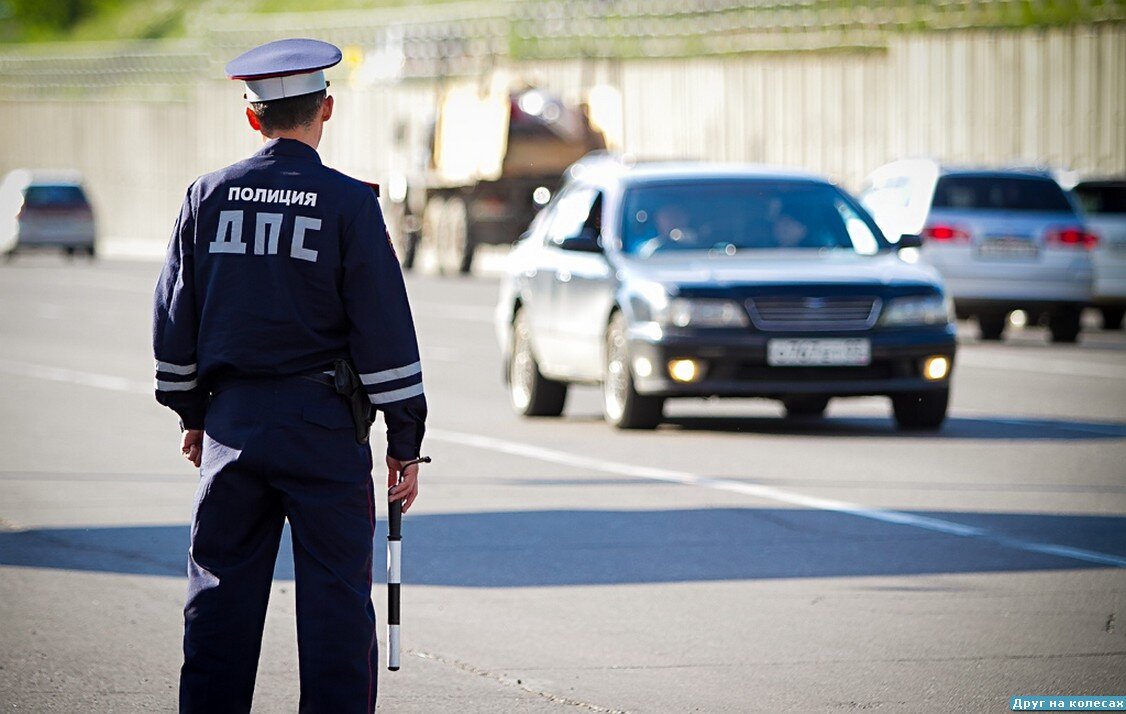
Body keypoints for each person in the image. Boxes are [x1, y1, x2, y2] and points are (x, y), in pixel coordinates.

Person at [152, 38, 427, 713]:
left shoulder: (205, 198)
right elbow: (385, 332)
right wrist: (404, 441)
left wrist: (193, 415)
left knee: (218, 602)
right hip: (323, 430)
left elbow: (173, 324)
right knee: (335, 605)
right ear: (325, 108)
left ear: (252, 118)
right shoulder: (349, 205)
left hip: (232, 425)